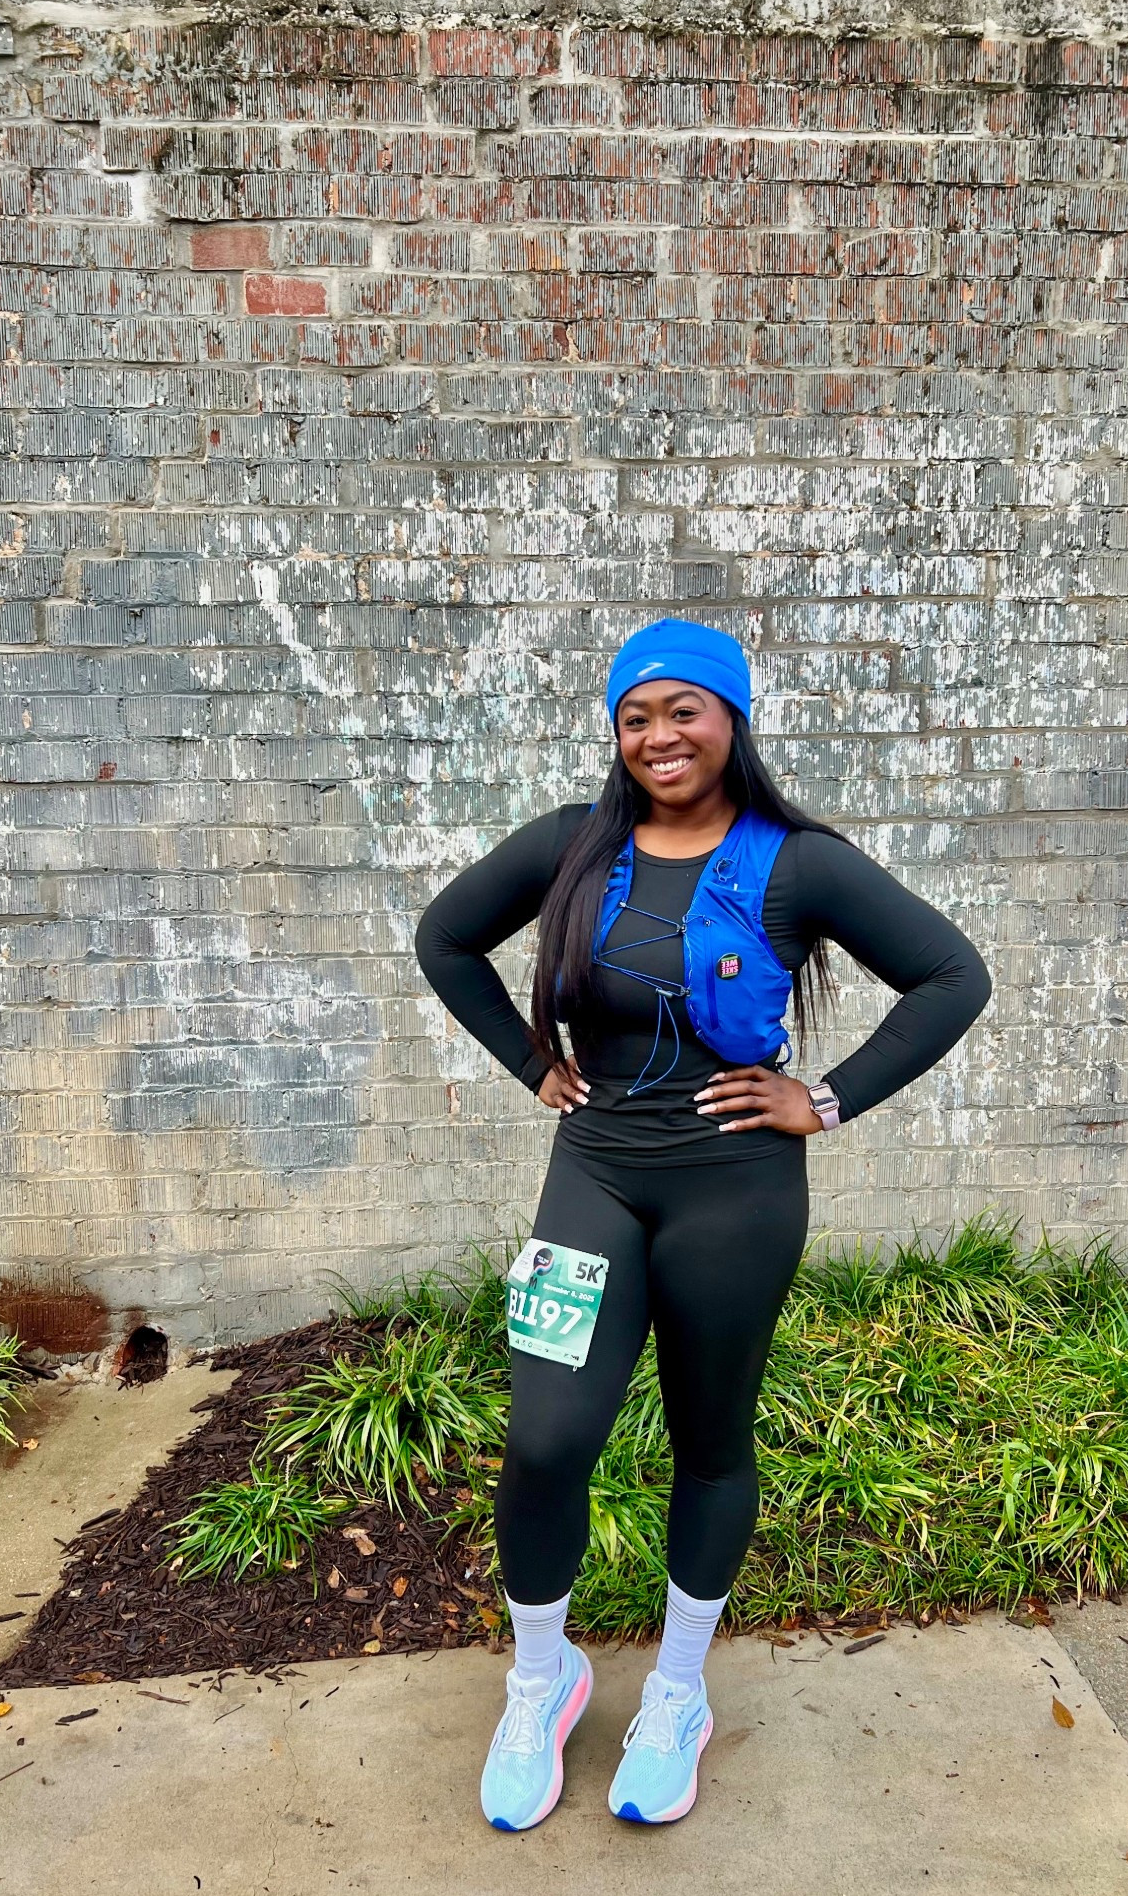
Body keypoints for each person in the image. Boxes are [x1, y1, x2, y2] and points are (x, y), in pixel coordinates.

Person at [414, 618, 991, 1831]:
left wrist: (822, 1099)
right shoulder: (576, 849)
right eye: (635, 716)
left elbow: (952, 975)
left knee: (710, 1440)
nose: (659, 736)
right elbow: (445, 937)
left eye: (684, 710)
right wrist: (533, 1063)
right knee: (546, 1437)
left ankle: (677, 1691)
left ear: (730, 720)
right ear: (614, 734)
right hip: (595, 1176)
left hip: (737, 1189)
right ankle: (543, 1677)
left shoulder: (798, 865)